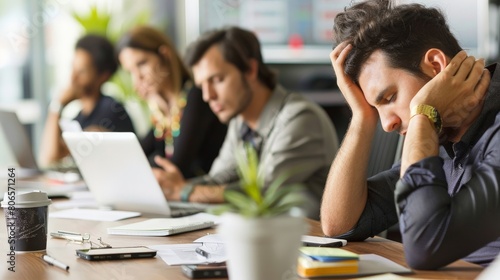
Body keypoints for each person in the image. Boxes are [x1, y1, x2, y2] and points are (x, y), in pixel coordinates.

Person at [321, 0, 500, 270]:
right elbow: (339, 224)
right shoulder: (439, 137)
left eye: (390, 97)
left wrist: (424, 114)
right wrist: (361, 118)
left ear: (436, 67)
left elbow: (424, 247)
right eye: (375, 108)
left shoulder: (432, 125)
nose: (386, 125)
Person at [153, 26, 339, 219]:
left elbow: (261, 193)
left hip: (305, 241)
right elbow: (219, 180)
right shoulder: (240, 121)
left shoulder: (301, 117)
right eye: (202, 86)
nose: (208, 96)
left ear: (250, 69)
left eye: (217, 79)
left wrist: (184, 191)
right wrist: (171, 187)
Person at [117, 26, 227, 178]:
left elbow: (175, 168)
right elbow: (138, 154)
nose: (138, 79)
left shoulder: (196, 95)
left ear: (164, 56)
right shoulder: (162, 107)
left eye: (142, 64)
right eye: (130, 72)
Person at [39, 34, 135, 168]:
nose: (73, 78)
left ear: (103, 76)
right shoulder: (80, 117)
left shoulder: (112, 110)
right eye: (72, 68)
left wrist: (59, 105)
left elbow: (54, 157)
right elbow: (48, 159)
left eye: (82, 71)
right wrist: (56, 107)